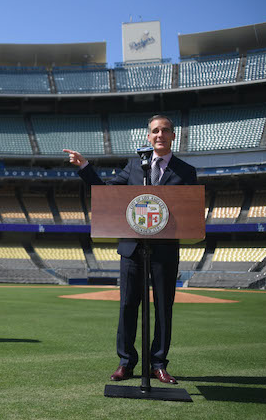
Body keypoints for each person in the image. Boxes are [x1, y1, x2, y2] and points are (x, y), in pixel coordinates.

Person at [64, 114, 197, 385]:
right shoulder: (135, 167)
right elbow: (106, 195)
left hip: (165, 250)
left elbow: (191, 211)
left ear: (173, 136)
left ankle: (158, 364)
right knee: (127, 306)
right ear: (148, 137)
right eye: (155, 131)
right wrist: (85, 167)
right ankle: (126, 362)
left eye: (165, 130)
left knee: (163, 308)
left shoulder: (186, 172)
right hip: (132, 249)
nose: (160, 135)